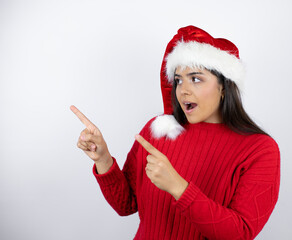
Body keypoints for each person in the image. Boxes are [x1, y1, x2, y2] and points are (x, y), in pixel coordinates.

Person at [71, 25, 280, 240]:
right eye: (178, 80)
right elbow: (126, 204)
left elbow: (241, 233)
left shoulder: (259, 150)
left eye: (196, 78)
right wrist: (103, 159)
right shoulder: (159, 130)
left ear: (224, 86)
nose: (183, 90)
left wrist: (179, 188)